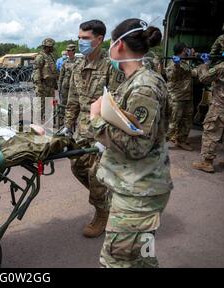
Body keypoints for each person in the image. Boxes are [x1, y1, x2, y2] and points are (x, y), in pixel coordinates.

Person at [89, 19, 172, 268]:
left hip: (138, 195)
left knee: (115, 262)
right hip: (137, 188)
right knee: (142, 259)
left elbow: (137, 147)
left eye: (111, 43)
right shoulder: (135, 80)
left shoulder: (143, 86)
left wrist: (96, 120)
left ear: (120, 45)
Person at [61, 20, 124, 238]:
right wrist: (67, 126)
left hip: (103, 132)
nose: (81, 42)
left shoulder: (111, 66)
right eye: (79, 38)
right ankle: (108, 201)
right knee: (77, 167)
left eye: (85, 38)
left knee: (97, 176)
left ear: (99, 40)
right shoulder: (77, 66)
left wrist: (107, 137)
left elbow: (118, 104)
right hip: (82, 131)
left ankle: (102, 214)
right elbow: (72, 100)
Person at [192, 58, 224, 173]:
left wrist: (205, 65)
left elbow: (204, 78)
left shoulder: (221, 67)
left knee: (210, 132)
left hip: (219, 107)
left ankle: (207, 162)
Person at [165, 43, 198, 150]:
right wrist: (176, 65)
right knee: (173, 122)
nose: (189, 51)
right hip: (177, 97)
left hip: (187, 96)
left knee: (187, 121)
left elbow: (192, 73)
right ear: (183, 50)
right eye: (187, 50)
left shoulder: (186, 62)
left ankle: (181, 141)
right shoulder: (173, 62)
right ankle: (160, 143)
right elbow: (171, 77)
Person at [32, 38, 58, 122]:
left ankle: (47, 122)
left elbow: (53, 71)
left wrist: (55, 84)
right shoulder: (40, 57)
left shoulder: (51, 56)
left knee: (49, 105)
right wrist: (38, 86)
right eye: (51, 47)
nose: (52, 48)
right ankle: (37, 123)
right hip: (42, 86)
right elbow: (37, 71)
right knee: (40, 105)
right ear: (46, 47)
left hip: (50, 86)